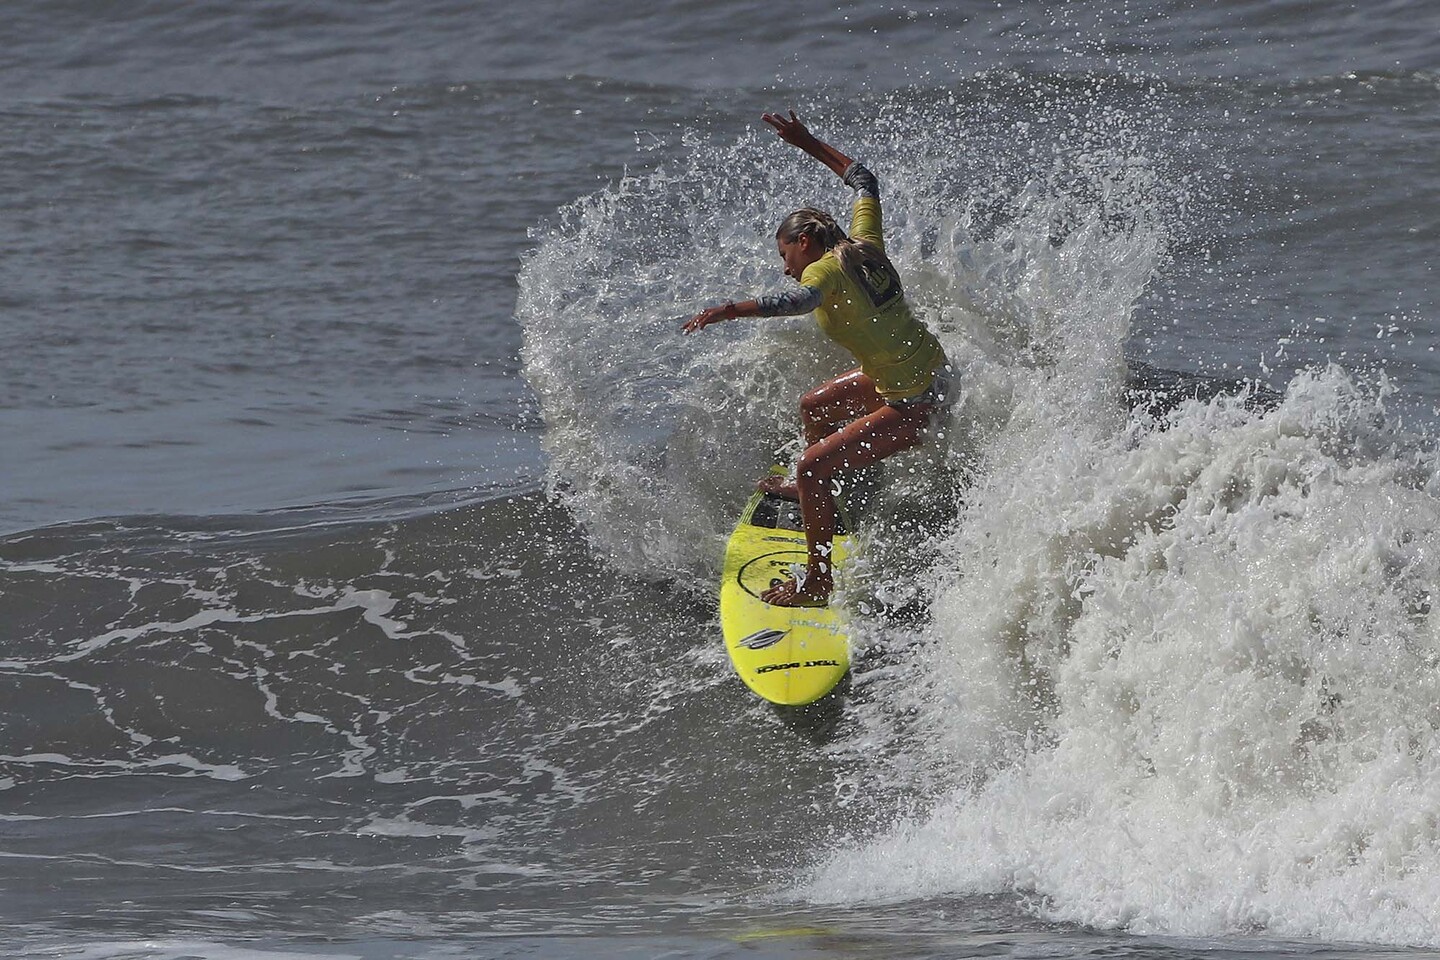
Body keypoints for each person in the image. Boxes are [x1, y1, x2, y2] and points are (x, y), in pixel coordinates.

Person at [683, 111, 953, 608]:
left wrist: (727, 310)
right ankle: (818, 496)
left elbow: (798, 303)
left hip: (919, 401)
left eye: (785, 256)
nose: (785, 268)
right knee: (814, 407)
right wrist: (806, 142)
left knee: (811, 467)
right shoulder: (864, 243)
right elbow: (864, 181)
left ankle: (818, 585)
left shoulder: (824, 274)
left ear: (804, 244)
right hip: (924, 372)